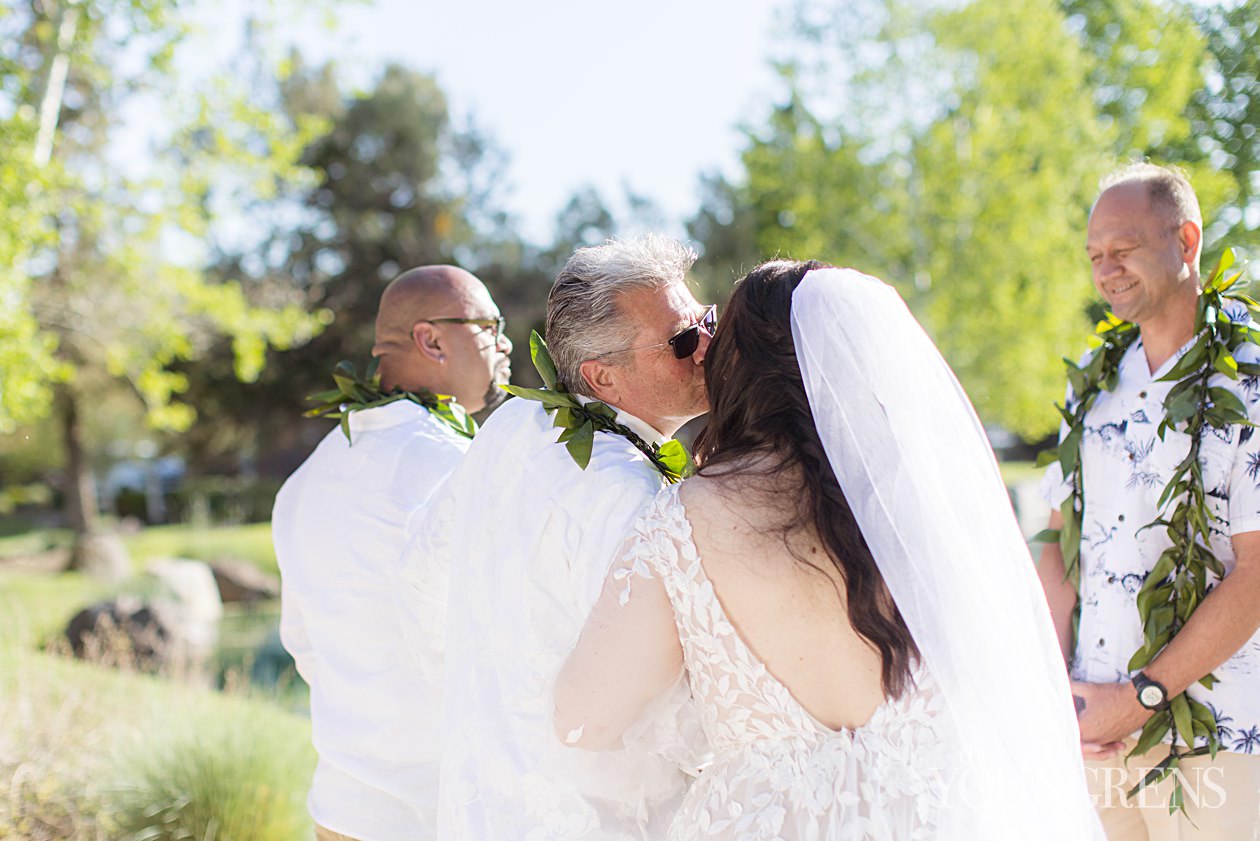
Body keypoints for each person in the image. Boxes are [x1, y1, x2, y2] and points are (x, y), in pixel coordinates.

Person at [555, 261, 1103, 840]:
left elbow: (582, 721)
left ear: (741, 368)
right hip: (944, 810)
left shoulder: (681, 522)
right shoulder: (923, 502)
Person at [420, 235, 712, 839]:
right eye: (682, 341)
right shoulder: (632, 499)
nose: (708, 346)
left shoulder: (510, 426)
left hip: (486, 810)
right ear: (602, 376)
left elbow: (419, 580)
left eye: (704, 322)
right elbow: (677, 713)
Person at [1038, 163, 1260, 839]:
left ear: (1186, 240)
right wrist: (1060, 697)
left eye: (1124, 250)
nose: (1106, 270)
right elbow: (1055, 545)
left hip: (1216, 735)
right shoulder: (1094, 383)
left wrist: (1141, 698)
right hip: (1095, 735)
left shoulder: (1248, 382)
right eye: (1095, 256)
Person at [272, 265, 512, 841]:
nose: (505, 343)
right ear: (431, 339)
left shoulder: (302, 483)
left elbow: (305, 649)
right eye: (489, 326)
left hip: (340, 812)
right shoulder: (456, 467)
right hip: (439, 815)